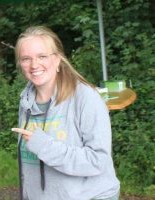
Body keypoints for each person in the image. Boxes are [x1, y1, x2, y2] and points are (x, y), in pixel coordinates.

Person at [11, 26, 120, 200]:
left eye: (42, 56)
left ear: (58, 59)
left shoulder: (86, 98)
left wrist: (44, 145)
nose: (34, 65)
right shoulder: (26, 101)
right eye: (26, 59)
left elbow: (97, 160)